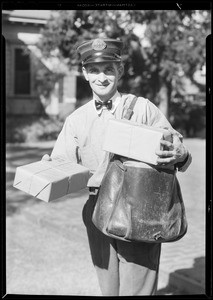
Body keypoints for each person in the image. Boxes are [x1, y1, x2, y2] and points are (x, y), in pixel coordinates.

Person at [43, 38, 192, 296]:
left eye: (109, 69)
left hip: (141, 205)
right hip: (96, 209)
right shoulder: (76, 120)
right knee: (108, 290)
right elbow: (62, 164)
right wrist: (49, 169)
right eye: (95, 70)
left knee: (138, 290)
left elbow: (178, 148)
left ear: (119, 71)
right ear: (85, 73)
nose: (102, 77)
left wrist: (179, 152)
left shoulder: (142, 108)